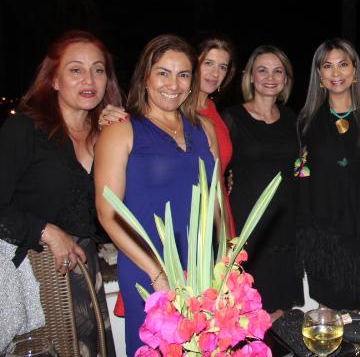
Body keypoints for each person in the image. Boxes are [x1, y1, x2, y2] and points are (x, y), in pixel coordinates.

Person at [95, 34, 219, 354]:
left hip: (202, 265)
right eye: (163, 72)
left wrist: (224, 259)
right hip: (147, 267)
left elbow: (215, 202)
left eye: (183, 75)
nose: (173, 84)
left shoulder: (204, 129)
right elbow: (108, 212)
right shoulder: (120, 131)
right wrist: (157, 273)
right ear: (145, 77)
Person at [0, 30, 120, 355]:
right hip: (36, 276)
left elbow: (113, 210)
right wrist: (46, 230)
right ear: (53, 79)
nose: (89, 79)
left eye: (98, 69)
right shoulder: (25, 128)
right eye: (75, 69)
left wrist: (119, 134)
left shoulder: (104, 134)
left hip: (85, 272)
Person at [296, 38, 360, 310]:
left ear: (355, 70)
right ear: (319, 74)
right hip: (325, 237)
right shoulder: (307, 121)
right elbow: (301, 179)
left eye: (343, 64)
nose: (336, 73)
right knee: (327, 315)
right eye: (327, 66)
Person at [222, 45, 303, 317]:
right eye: (263, 70)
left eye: (278, 71)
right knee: (247, 310)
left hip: (284, 224)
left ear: (286, 78)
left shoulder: (291, 118)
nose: (270, 77)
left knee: (280, 309)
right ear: (251, 77)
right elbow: (215, 167)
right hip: (248, 226)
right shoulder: (232, 117)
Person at [195, 33, 237, 235]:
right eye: (208, 63)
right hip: (194, 216)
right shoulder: (175, 110)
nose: (215, 73)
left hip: (220, 212)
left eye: (222, 67)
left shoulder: (214, 110)